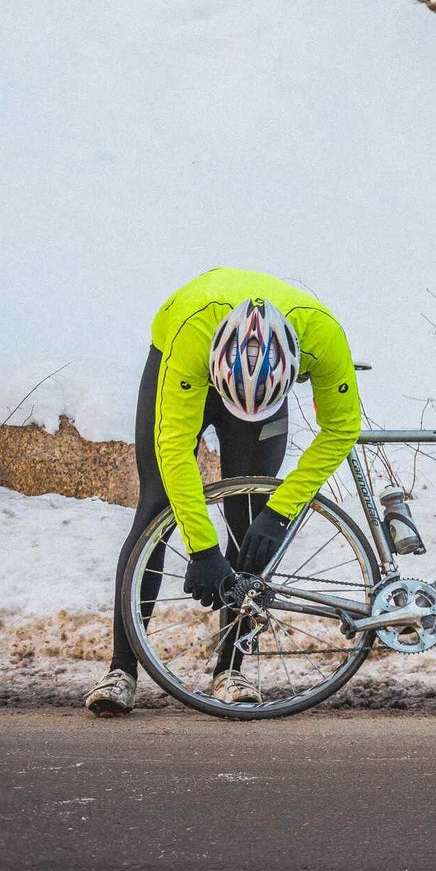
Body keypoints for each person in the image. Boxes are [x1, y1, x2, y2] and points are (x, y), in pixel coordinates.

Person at [86, 268, 363, 716]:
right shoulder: (192, 332)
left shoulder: (323, 337)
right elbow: (173, 447)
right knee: (155, 511)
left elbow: (343, 427)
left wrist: (281, 512)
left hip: (260, 386)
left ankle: (230, 669)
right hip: (186, 359)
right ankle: (122, 668)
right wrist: (202, 550)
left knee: (251, 519)